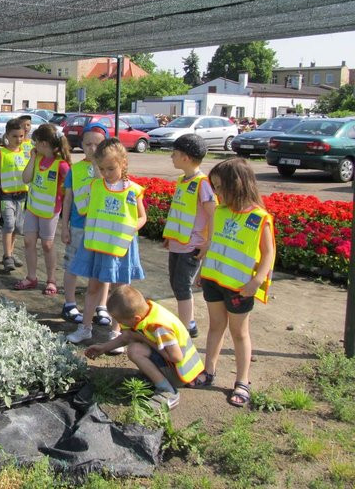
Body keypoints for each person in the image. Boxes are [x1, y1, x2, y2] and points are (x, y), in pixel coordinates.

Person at [198, 158, 275, 408]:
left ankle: (242, 381)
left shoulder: (258, 218)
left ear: (238, 185)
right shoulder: (219, 212)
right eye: (215, 187)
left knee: (239, 333)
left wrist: (257, 281)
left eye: (220, 187)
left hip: (240, 287)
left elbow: (268, 254)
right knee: (215, 327)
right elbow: (213, 244)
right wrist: (202, 271)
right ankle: (208, 370)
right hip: (213, 281)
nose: (217, 193)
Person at [66, 138, 146, 348]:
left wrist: (131, 229)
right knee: (93, 288)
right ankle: (85, 328)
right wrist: (92, 172)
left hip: (120, 248)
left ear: (124, 163)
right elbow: (80, 205)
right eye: (102, 168)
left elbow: (142, 217)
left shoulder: (133, 190)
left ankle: (116, 333)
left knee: (120, 291)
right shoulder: (94, 186)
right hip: (97, 246)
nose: (106, 173)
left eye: (111, 168)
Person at [85, 285, 207, 411]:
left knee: (135, 350)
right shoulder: (144, 311)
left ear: (135, 319)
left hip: (179, 372)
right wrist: (103, 348)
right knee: (136, 344)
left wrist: (143, 339)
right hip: (172, 365)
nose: (118, 323)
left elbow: (176, 357)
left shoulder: (159, 327)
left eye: (119, 320)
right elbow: (126, 336)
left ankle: (168, 391)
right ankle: (155, 378)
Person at [162, 134, 217, 338]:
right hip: (178, 244)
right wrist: (170, 236)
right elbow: (179, 212)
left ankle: (185, 328)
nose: (171, 157)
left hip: (191, 246)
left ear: (185, 157)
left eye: (174, 154)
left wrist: (208, 243)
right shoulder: (182, 181)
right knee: (176, 284)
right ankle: (189, 322)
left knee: (182, 286)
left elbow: (213, 214)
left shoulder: (203, 183)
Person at [14, 123, 71, 294]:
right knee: (28, 241)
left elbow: (71, 188)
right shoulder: (37, 158)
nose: (34, 145)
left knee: (47, 244)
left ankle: (51, 280)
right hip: (32, 208)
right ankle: (31, 277)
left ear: (43, 144)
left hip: (50, 212)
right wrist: (32, 158)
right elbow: (25, 179)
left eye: (35, 142)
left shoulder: (61, 165)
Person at [60, 123, 108, 324]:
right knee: (72, 264)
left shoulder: (111, 169)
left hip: (103, 228)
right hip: (79, 226)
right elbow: (68, 199)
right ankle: (69, 303)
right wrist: (64, 227)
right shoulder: (75, 169)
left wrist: (99, 165)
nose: (92, 149)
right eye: (88, 144)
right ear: (81, 145)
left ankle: (101, 306)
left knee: (102, 268)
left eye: (98, 145)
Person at [0, 118, 29, 272]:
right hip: (6, 196)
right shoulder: (1, 152)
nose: (18, 139)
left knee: (18, 227)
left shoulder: (26, 153)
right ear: (7, 135)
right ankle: (7, 256)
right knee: (9, 224)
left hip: (22, 196)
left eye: (21, 136)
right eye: (14, 136)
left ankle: (11, 253)